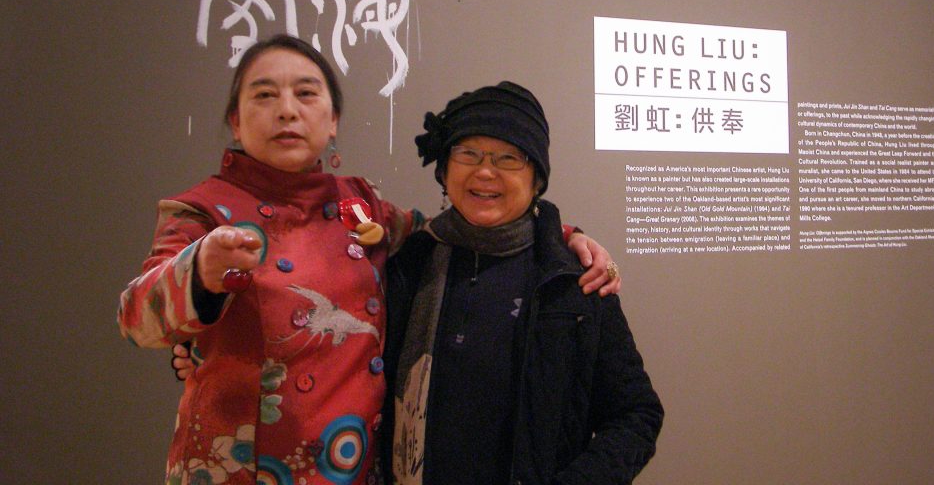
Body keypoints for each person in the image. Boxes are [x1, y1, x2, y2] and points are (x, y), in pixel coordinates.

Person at [118, 36, 619, 485]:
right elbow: (137, 317)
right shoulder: (203, 210)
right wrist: (200, 270)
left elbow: (454, 228)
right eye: (264, 95)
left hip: (351, 465)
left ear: (333, 120)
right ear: (235, 118)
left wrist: (561, 235)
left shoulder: (359, 203)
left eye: (307, 94)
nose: (287, 111)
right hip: (241, 467)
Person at [383, 81, 663, 485]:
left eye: (509, 157)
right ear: (444, 170)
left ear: (537, 179)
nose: (484, 170)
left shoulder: (572, 278)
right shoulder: (408, 262)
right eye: (468, 153)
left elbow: (637, 415)